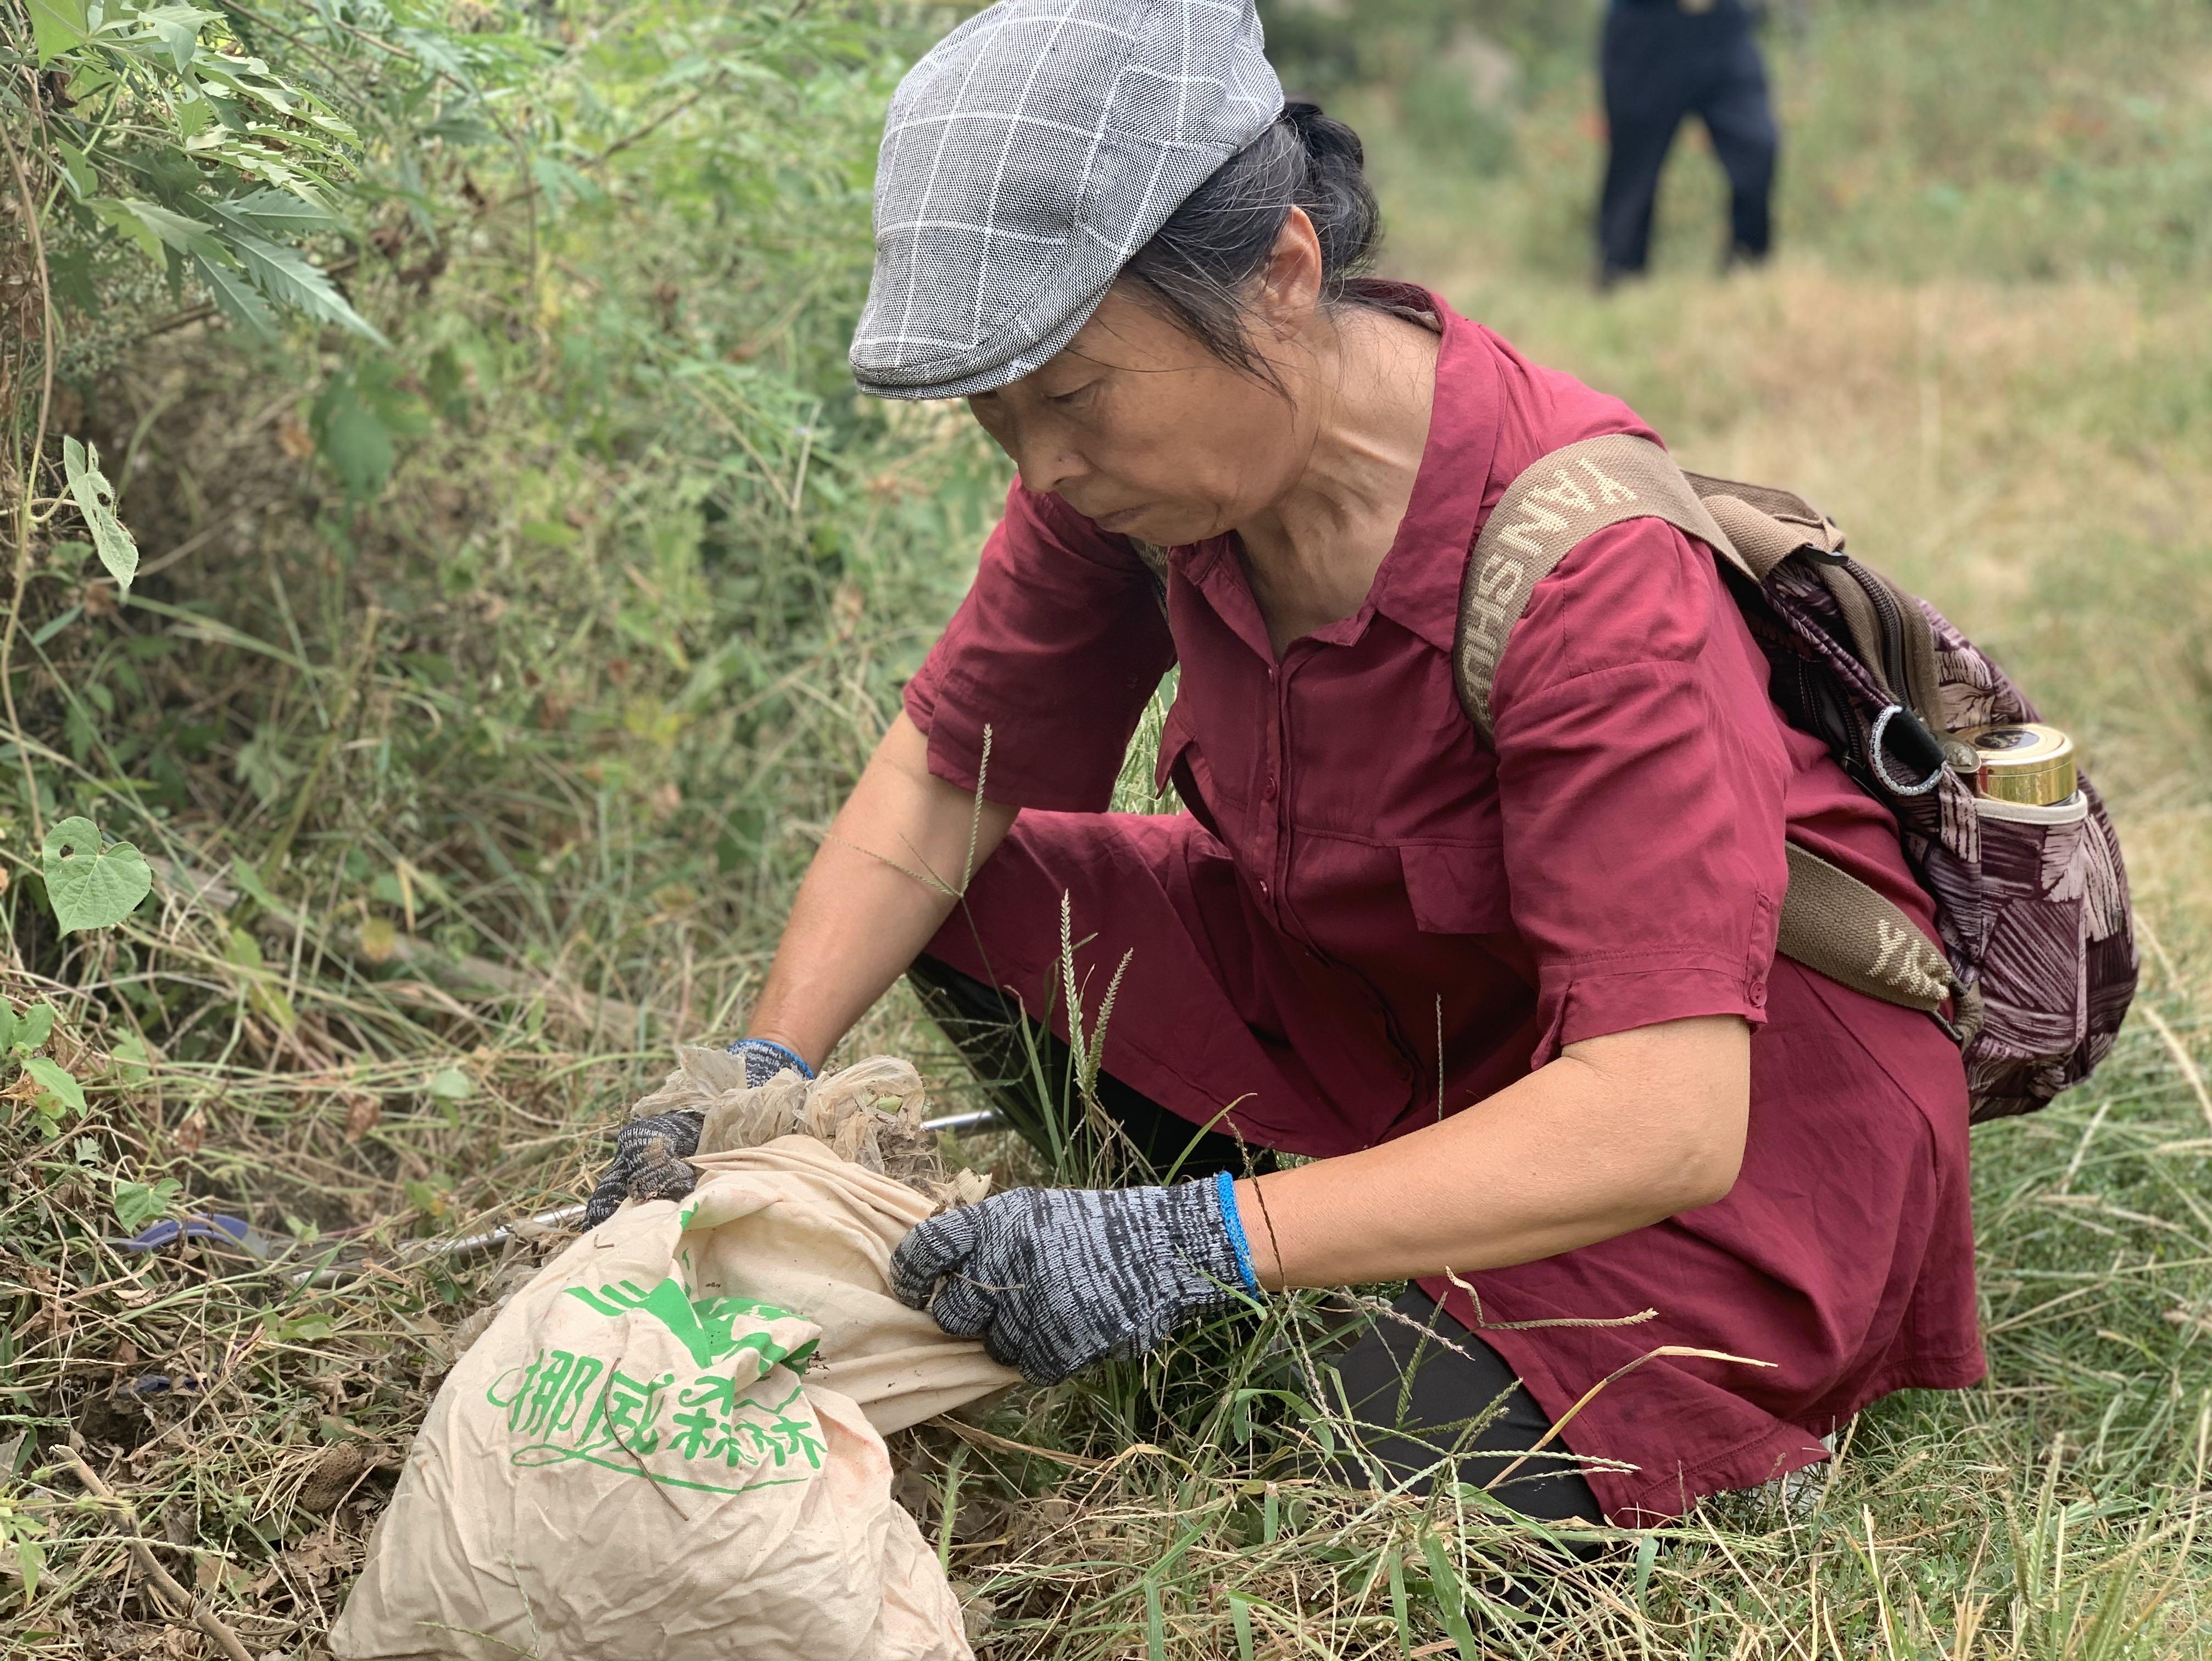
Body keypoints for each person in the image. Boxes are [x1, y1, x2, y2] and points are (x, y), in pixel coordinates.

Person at [588, 0, 1983, 1529]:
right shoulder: (1134, 484)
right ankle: (1288, 1238)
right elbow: (949, 772)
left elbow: (1667, 1109)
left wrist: (1194, 1244)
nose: (1040, 463)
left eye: (1070, 397)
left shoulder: (1594, 574)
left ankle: (1670, 1409)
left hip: (1717, 1126)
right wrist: (755, 1083)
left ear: (1284, 276)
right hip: (1406, 1009)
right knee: (985, 900)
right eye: (997, 417)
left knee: (1371, 1474)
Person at [1597, 0, 1779, 285]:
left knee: (1758, 145)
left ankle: (1748, 267)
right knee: (1633, 167)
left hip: (1722, 23)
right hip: (1646, 27)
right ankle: (1622, 278)